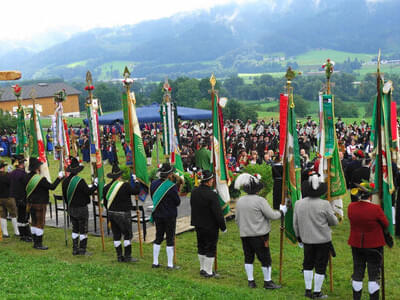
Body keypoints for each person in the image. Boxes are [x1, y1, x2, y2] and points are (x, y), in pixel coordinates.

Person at [234, 173, 286, 289]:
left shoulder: (240, 201)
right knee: (265, 258)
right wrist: (282, 212)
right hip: (260, 235)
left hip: (245, 234)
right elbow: (272, 215)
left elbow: (237, 219)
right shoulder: (260, 201)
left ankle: (251, 281)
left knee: (248, 257)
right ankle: (267, 281)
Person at [293, 173, 338, 299]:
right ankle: (317, 292)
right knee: (320, 265)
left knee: (307, 264)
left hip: (306, 239)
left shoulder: (298, 203)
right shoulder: (325, 204)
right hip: (323, 240)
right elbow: (334, 222)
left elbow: (295, 224)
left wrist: (299, 237)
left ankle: (308, 290)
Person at [348, 182, 389, 300]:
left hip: (356, 244)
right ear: (370, 197)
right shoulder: (375, 209)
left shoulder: (351, 207)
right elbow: (385, 223)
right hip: (374, 244)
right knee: (374, 273)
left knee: (358, 271)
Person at [190, 170, 226, 278]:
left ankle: (202, 268)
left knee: (201, 245)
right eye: (212, 180)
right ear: (209, 181)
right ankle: (209, 271)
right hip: (210, 225)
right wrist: (223, 227)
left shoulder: (194, 191)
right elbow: (217, 213)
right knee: (210, 247)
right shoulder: (212, 195)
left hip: (198, 223)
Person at [103, 163, 140, 262]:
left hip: (111, 213)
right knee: (127, 235)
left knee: (116, 235)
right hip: (123, 214)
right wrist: (136, 181)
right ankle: (127, 257)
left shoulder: (106, 188)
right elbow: (136, 191)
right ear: (120, 176)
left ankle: (119, 256)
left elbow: (106, 203)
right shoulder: (125, 185)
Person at [26, 157, 63, 250]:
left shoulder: (26, 177)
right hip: (40, 204)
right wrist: (59, 178)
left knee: (33, 222)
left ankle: (35, 241)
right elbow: (52, 187)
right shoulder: (40, 179)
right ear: (37, 168)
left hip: (30, 203)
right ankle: (38, 244)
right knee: (40, 223)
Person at [62, 157, 97, 255]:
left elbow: (65, 196)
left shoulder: (65, 181)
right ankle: (82, 249)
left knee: (75, 228)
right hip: (81, 208)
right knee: (83, 229)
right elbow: (88, 192)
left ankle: (74, 249)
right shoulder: (80, 181)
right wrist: (95, 185)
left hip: (71, 208)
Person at [150, 163, 181, 269]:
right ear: (169, 174)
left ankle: (155, 262)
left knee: (158, 237)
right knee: (170, 238)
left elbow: (153, 198)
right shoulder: (171, 187)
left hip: (158, 214)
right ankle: (170, 264)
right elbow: (177, 202)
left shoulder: (153, 184)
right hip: (169, 215)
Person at [9, 155, 30, 242]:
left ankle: (22, 235)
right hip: (23, 198)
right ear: (21, 164)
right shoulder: (23, 174)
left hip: (15, 198)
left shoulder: (12, 173)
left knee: (20, 217)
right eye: (23, 163)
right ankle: (26, 235)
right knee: (24, 218)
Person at [0, 160, 19, 238]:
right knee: (13, 214)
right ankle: (16, 231)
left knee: (2, 215)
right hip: (8, 197)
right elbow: (12, 183)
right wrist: (10, 173)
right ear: (3, 168)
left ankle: (5, 233)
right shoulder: (7, 175)